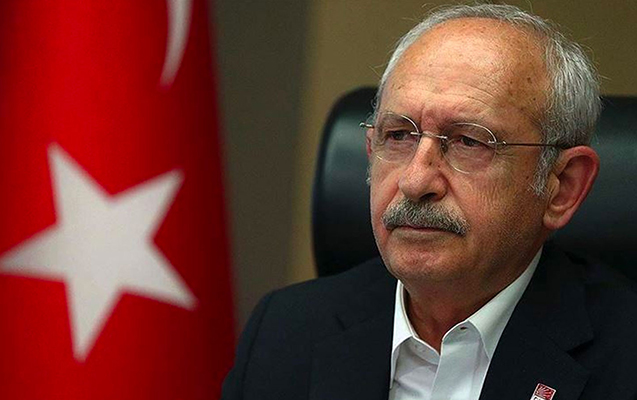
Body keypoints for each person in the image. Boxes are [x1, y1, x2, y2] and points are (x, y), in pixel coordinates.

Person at [222, 4, 637, 400]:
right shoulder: (286, 332)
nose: (415, 180)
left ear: (562, 187)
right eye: (398, 136)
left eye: (469, 141)